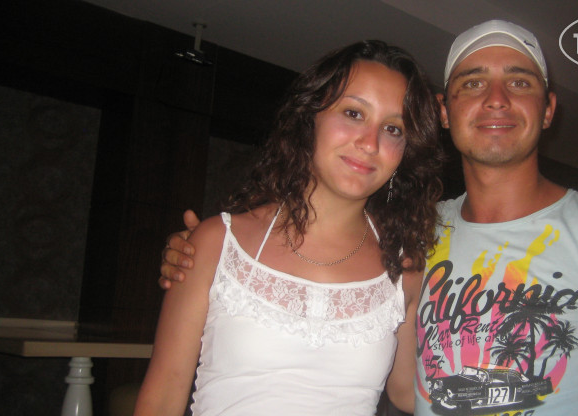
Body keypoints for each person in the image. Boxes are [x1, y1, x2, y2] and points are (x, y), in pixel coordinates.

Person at [160, 21, 578, 416]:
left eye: (520, 82)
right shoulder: (414, 235)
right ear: (442, 111)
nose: (496, 99)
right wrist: (201, 252)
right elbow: (408, 390)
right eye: (472, 83)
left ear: (549, 108)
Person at [135, 40, 444, 416]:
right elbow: (162, 397)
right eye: (353, 113)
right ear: (309, 118)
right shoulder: (216, 243)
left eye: (393, 129)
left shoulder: (404, 268)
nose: (370, 143)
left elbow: (409, 393)